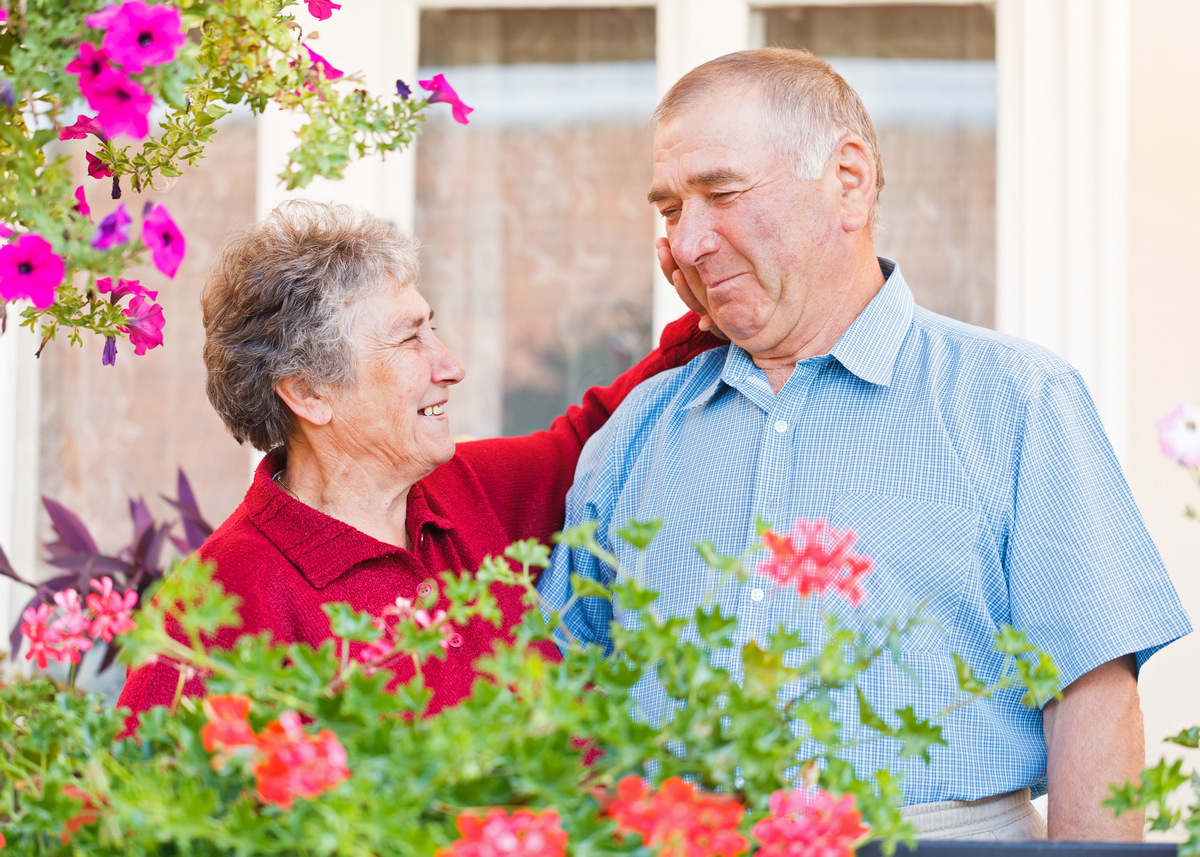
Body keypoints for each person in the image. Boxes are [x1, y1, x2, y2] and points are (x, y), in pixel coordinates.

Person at [538, 48, 1192, 842]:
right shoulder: (637, 429)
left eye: (722, 193)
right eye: (671, 209)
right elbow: (562, 707)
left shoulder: (1016, 399)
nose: (688, 241)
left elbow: (1093, 698)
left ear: (848, 180)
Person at [117, 200, 720, 722]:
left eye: (433, 329)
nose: (450, 365)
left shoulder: (463, 490)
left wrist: (711, 318)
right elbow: (139, 813)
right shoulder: (220, 601)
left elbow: (587, 436)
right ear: (308, 392)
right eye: (411, 340)